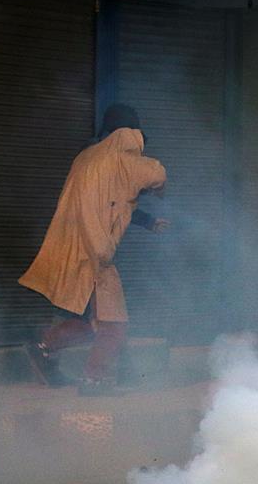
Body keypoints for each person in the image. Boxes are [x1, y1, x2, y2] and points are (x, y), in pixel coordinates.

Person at [19, 104, 168, 395]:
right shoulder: (126, 162)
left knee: (89, 324)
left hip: (68, 252)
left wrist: (147, 221)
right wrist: (155, 192)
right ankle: (93, 381)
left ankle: (42, 348)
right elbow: (158, 175)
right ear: (132, 134)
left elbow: (107, 206)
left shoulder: (85, 159)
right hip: (95, 256)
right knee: (114, 325)